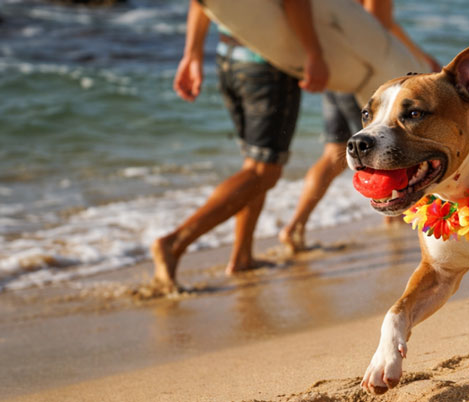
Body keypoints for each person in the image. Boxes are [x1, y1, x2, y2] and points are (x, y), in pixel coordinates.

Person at [151, 0, 328, 289]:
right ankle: (174, 243)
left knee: (254, 164)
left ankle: (242, 256)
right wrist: (314, 53)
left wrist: (192, 54)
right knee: (264, 171)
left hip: (228, 58)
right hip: (267, 65)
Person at [278, 0, 441, 253]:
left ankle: (295, 225)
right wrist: (419, 58)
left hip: (336, 72)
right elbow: (377, 26)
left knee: (332, 155)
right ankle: (392, 216)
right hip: (365, 76)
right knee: (387, 152)